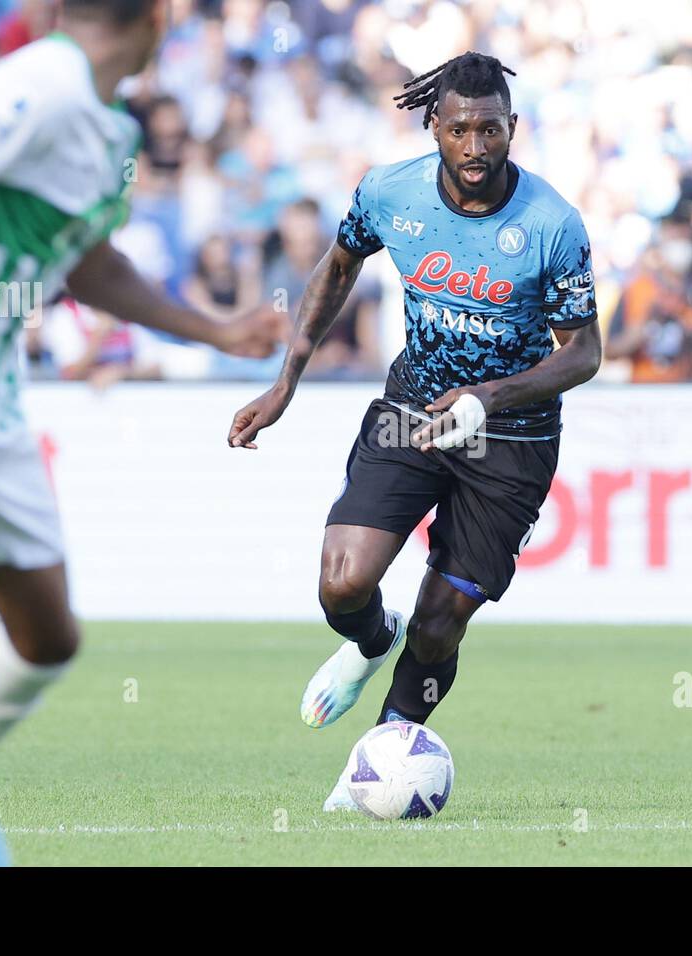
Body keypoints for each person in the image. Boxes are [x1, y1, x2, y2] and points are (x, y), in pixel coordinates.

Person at [0, 0, 274, 866]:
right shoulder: (43, 81)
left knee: (48, 640)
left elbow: (88, 264)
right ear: (159, 20)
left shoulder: (108, 131)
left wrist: (211, 329)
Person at [227, 51, 601, 812]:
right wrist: (285, 381)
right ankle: (370, 639)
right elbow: (336, 269)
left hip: (512, 441)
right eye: (459, 129)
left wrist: (492, 397)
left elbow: (586, 352)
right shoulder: (388, 192)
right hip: (411, 413)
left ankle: (378, 760)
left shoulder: (551, 225)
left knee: (440, 626)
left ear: (512, 129)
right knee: (343, 584)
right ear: (434, 125)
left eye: (490, 130)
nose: (474, 148)